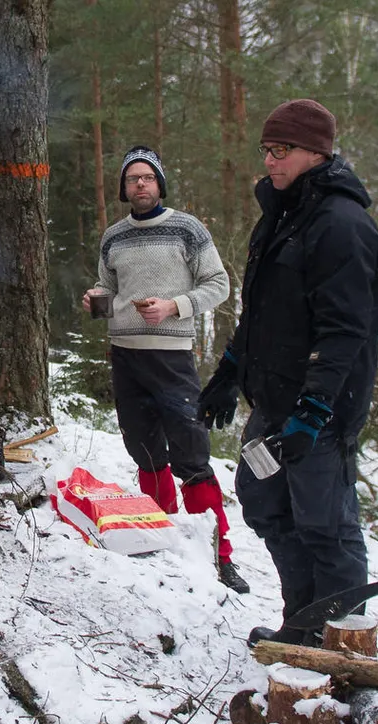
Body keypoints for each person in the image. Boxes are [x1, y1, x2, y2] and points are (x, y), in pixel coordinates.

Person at [197, 100, 378, 645]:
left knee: (326, 527)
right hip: (274, 404)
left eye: (280, 151)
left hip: (319, 412)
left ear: (315, 153)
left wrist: (314, 411)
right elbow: (258, 314)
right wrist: (229, 371)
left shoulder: (342, 226)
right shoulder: (280, 216)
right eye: (265, 150)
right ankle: (302, 625)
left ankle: (341, 647)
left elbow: (345, 332)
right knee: (264, 504)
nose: (270, 161)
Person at [82, 145, 249, 594]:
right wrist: (95, 298)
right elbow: (108, 284)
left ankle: (219, 555)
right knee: (145, 451)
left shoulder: (187, 229)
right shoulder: (113, 235)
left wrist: (175, 304)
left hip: (173, 355)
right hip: (124, 354)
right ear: (123, 187)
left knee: (192, 453)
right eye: (132, 178)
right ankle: (158, 539)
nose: (140, 184)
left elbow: (219, 284)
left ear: (159, 184)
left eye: (147, 177)